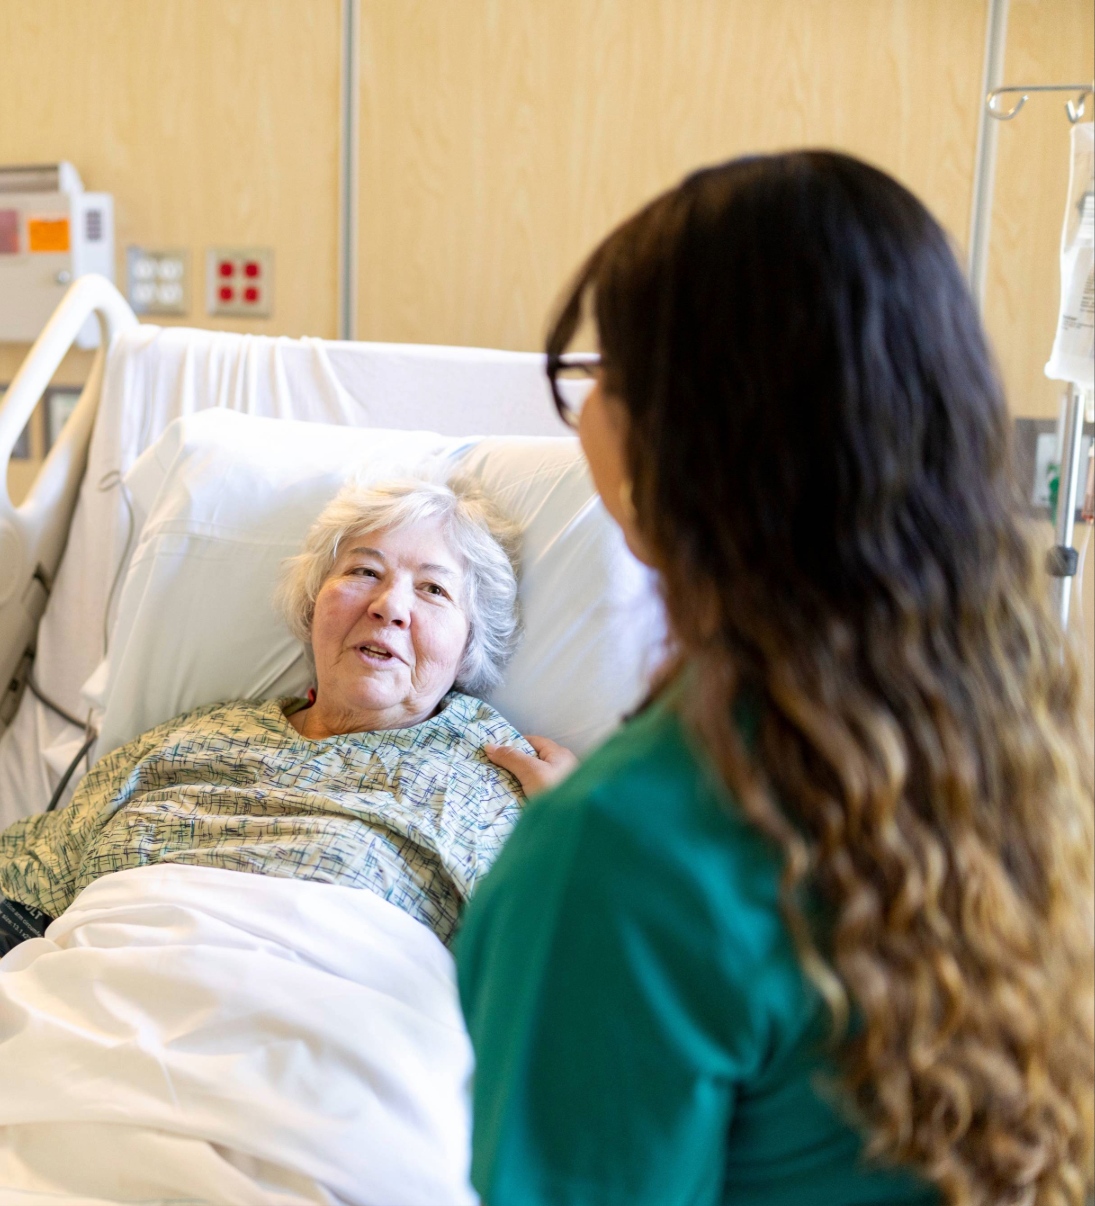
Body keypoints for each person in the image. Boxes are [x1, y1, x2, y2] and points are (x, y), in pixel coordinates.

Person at [458, 153, 1095, 1206]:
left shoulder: (619, 854)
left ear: (704, 444)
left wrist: (589, 855)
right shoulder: (1004, 739)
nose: (582, 417)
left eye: (607, 373)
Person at [0, 476, 533, 952]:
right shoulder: (196, 735)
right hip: (86, 993)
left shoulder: (489, 770)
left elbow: (554, 961)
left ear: (469, 646)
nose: (389, 606)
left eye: (433, 589)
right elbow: (30, 883)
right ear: (311, 606)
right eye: (365, 571)